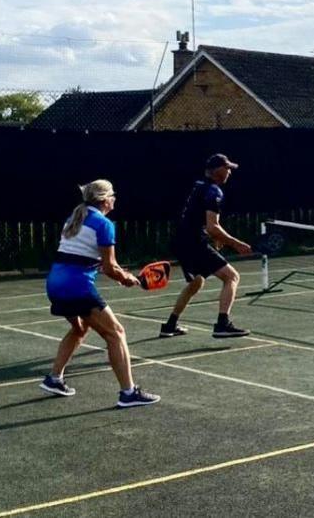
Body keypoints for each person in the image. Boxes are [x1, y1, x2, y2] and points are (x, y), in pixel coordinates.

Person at [42, 180, 159, 408]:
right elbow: (109, 267)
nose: (115, 199)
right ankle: (128, 393)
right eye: (113, 195)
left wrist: (122, 274)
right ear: (105, 200)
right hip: (76, 287)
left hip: (54, 284)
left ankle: (54, 379)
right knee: (116, 333)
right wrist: (127, 278)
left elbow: (90, 259)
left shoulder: (74, 219)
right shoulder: (104, 224)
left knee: (79, 328)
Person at [160, 154, 253, 339]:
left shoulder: (198, 185)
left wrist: (214, 236)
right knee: (231, 277)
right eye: (226, 168)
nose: (229, 173)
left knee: (196, 282)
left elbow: (199, 219)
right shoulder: (213, 191)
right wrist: (236, 243)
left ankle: (169, 325)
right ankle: (222, 324)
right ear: (217, 170)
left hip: (181, 240)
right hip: (193, 242)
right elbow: (213, 226)